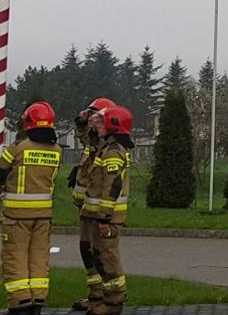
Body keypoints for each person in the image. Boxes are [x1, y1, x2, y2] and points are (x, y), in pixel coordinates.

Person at [0, 101, 61, 315]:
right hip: (43, 216)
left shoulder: (19, 148)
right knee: (40, 259)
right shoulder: (57, 150)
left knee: (16, 258)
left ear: (28, 122)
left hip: (17, 216)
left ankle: (20, 303)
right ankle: (37, 300)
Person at [79, 104, 134, 315]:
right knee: (99, 255)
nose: (97, 125)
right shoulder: (107, 146)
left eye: (102, 122)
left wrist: (104, 217)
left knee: (108, 257)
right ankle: (107, 300)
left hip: (107, 217)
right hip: (99, 214)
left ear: (113, 126)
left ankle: (114, 303)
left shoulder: (112, 151)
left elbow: (113, 185)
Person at [69, 97, 114, 312]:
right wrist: (80, 122)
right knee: (87, 250)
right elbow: (87, 141)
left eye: (95, 116)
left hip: (101, 211)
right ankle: (95, 296)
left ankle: (109, 300)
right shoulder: (95, 138)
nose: (91, 120)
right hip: (87, 207)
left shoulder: (111, 142)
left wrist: (105, 214)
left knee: (102, 255)